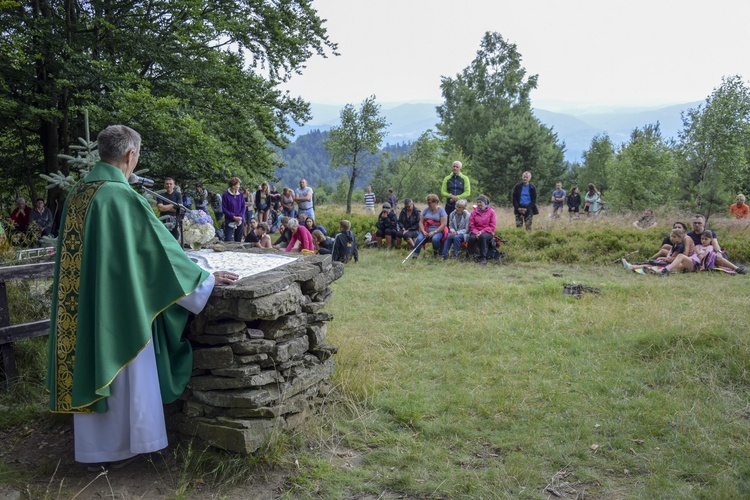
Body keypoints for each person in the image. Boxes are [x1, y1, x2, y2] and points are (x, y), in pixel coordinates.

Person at [46, 124, 238, 469]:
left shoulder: (78, 193)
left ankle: (92, 450)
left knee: (92, 359)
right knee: (125, 370)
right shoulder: (120, 197)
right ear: (130, 155)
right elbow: (158, 253)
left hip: (84, 304)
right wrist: (204, 279)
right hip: (120, 306)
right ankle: (123, 447)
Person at [412, 194, 447, 259]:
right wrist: (423, 231)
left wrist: (434, 232)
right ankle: (415, 255)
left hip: (438, 231)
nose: (428, 204)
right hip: (426, 230)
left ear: (436, 202)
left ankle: (436, 253)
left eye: (430, 203)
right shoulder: (426, 210)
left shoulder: (441, 211)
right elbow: (421, 222)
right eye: (428, 203)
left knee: (435, 239)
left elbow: (443, 224)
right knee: (419, 239)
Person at [467, 195, 497, 265]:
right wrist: (476, 232)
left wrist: (481, 232)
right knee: (471, 238)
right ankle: (469, 256)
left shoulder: (491, 212)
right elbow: (471, 224)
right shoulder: (474, 212)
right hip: (475, 231)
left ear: (485, 202)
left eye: (480, 202)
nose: (479, 204)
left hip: (487, 232)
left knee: (482, 237)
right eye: (477, 202)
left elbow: (492, 226)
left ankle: (483, 258)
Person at [222, 177, 245, 242]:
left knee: (238, 240)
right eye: (238, 184)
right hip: (230, 220)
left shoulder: (240, 194)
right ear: (233, 186)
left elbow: (243, 206)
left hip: (240, 219)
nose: (239, 186)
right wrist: (233, 217)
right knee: (228, 239)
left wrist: (240, 216)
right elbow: (224, 209)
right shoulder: (225, 195)